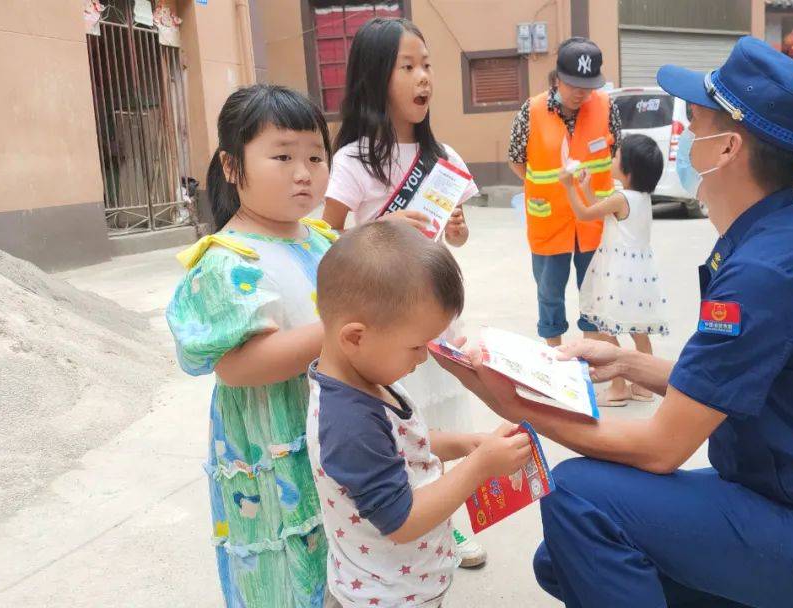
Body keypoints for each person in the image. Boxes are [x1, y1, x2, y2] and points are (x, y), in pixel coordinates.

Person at [438, 36, 793, 608]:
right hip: (792, 499)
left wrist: (516, 404)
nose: (683, 139)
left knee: (579, 499)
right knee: (563, 558)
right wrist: (628, 361)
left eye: (697, 124)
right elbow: (727, 379)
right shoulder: (768, 240)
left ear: (728, 147)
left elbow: (662, 447)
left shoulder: (765, 269)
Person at [319, 16, 487, 567]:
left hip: (432, 321)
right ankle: (400, 510)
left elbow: (450, 238)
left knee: (440, 419)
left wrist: (455, 232)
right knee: (395, 423)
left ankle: (447, 522)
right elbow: (327, 243)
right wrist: (387, 227)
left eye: (427, 66)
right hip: (387, 326)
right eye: (407, 67)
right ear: (374, 77)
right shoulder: (351, 161)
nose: (423, 79)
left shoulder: (446, 157)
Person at [165, 84, 338, 607]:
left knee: (337, 554)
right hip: (270, 436)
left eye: (314, 156)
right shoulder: (228, 259)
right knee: (285, 568)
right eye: (282, 156)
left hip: (331, 425)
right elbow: (241, 368)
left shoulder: (320, 239)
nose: (303, 172)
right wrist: (344, 325)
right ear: (232, 165)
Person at [306, 222, 532, 607]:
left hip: (407, 586)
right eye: (415, 346)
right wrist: (479, 465)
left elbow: (403, 442)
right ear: (355, 337)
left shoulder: (369, 376)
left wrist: (465, 444)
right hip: (383, 598)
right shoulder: (349, 424)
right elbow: (402, 521)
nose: (424, 357)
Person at [507, 37, 623, 347]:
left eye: (588, 86)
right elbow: (517, 160)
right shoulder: (530, 111)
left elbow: (614, 157)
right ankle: (555, 360)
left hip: (593, 220)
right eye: (573, 84)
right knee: (549, 294)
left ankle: (591, 354)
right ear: (558, 78)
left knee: (594, 291)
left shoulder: (607, 107)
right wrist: (545, 186)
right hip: (549, 219)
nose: (581, 93)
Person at [558, 134, 669, 406]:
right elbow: (605, 210)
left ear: (628, 170)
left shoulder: (621, 197)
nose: (612, 158)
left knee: (607, 332)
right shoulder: (640, 197)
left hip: (617, 275)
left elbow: (586, 214)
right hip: (640, 277)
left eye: (617, 156)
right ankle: (644, 387)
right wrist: (587, 188)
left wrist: (569, 186)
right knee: (639, 334)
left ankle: (618, 388)